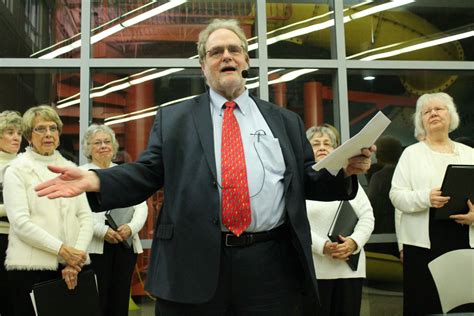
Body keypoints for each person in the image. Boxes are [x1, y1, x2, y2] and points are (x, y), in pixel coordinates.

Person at [35, 19, 374, 315]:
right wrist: (95, 179)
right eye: (215, 52)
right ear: (203, 64)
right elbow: (148, 172)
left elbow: (307, 181)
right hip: (193, 263)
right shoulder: (175, 119)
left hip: (271, 264)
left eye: (233, 49)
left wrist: (344, 171)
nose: (226, 56)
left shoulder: (284, 121)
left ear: (245, 59)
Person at [3, 105, 93, 316]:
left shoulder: (71, 167)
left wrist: (75, 260)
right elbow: (20, 223)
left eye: (53, 128)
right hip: (31, 270)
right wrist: (62, 250)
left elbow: (85, 217)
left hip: (73, 268)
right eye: (40, 129)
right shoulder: (16, 170)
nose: (48, 134)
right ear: (28, 136)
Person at [389, 92, 474, 315]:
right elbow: (396, 196)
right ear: (421, 121)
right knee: (425, 305)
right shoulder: (411, 154)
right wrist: (425, 198)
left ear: (451, 115)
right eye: (427, 111)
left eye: (439, 109)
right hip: (423, 243)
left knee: (465, 306)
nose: (433, 113)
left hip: (465, 237)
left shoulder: (470, 154)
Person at [305, 124, 374, 316]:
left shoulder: (348, 181)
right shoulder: (302, 182)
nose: (321, 147)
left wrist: (354, 242)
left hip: (349, 268)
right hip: (315, 268)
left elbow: (367, 217)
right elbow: (295, 221)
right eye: (315, 143)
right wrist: (322, 246)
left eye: (327, 143)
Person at [80, 124, 148, 316]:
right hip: (95, 246)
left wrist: (131, 228)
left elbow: (141, 207)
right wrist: (102, 231)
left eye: (107, 141)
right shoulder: (81, 173)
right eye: (97, 142)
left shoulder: (126, 172)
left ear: (114, 146)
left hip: (125, 245)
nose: (103, 146)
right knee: (97, 301)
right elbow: (78, 212)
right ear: (88, 148)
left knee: (119, 301)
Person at [0, 111, 23, 316]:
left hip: (23, 238)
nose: (16, 137)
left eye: (19, 133)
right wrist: (15, 207)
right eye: (10, 132)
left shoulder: (26, 164)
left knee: (16, 298)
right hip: (0, 236)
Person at [365, 135, 403, 258]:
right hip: (403, 236)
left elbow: (370, 208)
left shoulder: (379, 177)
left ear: (379, 156)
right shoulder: (406, 174)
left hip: (381, 238)